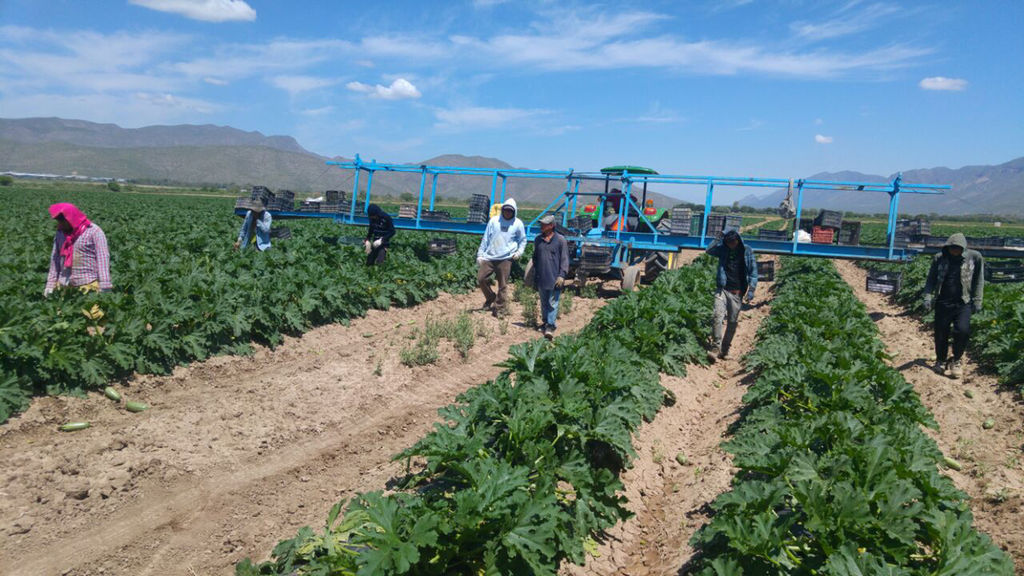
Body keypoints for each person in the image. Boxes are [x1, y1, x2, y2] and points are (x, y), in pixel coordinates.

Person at [922, 233, 984, 379]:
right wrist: (927, 296)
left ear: (963, 248)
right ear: (948, 247)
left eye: (958, 248)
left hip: (963, 302)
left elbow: (979, 280)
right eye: (952, 248)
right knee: (941, 333)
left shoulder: (975, 257)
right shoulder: (939, 258)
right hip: (943, 301)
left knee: (962, 330)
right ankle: (941, 360)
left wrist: (978, 300)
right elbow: (931, 279)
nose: (955, 250)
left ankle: (956, 360)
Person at [706, 228, 757, 362]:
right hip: (722, 290)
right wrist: (718, 237)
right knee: (717, 316)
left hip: (737, 292)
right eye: (728, 243)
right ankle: (715, 347)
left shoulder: (747, 251)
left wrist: (751, 289)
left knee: (732, 322)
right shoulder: (723, 250)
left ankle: (725, 350)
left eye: (733, 242)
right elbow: (709, 250)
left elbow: (753, 272)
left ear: (738, 240)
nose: (731, 245)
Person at [45, 203, 113, 295]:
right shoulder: (60, 233)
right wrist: (50, 285)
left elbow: (102, 258)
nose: (61, 225)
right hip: (64, 285)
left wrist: (105, 285)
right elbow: (55, 258)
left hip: (88, 286)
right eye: (59, 222)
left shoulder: (94, 231)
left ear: (71, 218)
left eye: (63, 221)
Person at [477, 198, 527, 317]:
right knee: (481, 279)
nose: (507, 212)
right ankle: (490, 297)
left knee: (502, 285)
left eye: (510, 211)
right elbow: (486, 238)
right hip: (490, 256)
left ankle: (499, 309)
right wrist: (480, 254)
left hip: (506, 258)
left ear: (514, 212)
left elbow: (523, 240)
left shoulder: (518, 223)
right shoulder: (494, 221)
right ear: (502, 210)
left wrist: (519, 253)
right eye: (506, 210)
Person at [532, 214, 569, 339]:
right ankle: (545, 322)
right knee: (544, 302)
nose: (541, 226)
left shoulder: (560, 240)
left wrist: (562, 275)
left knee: (553, 303)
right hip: (542, 276)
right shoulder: (538, 240)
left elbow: (564, 259)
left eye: (544, 224)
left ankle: (550, 326)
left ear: (552, 226)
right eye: (541, 224)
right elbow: (535, 258)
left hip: (555, 278)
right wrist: (535, 274)